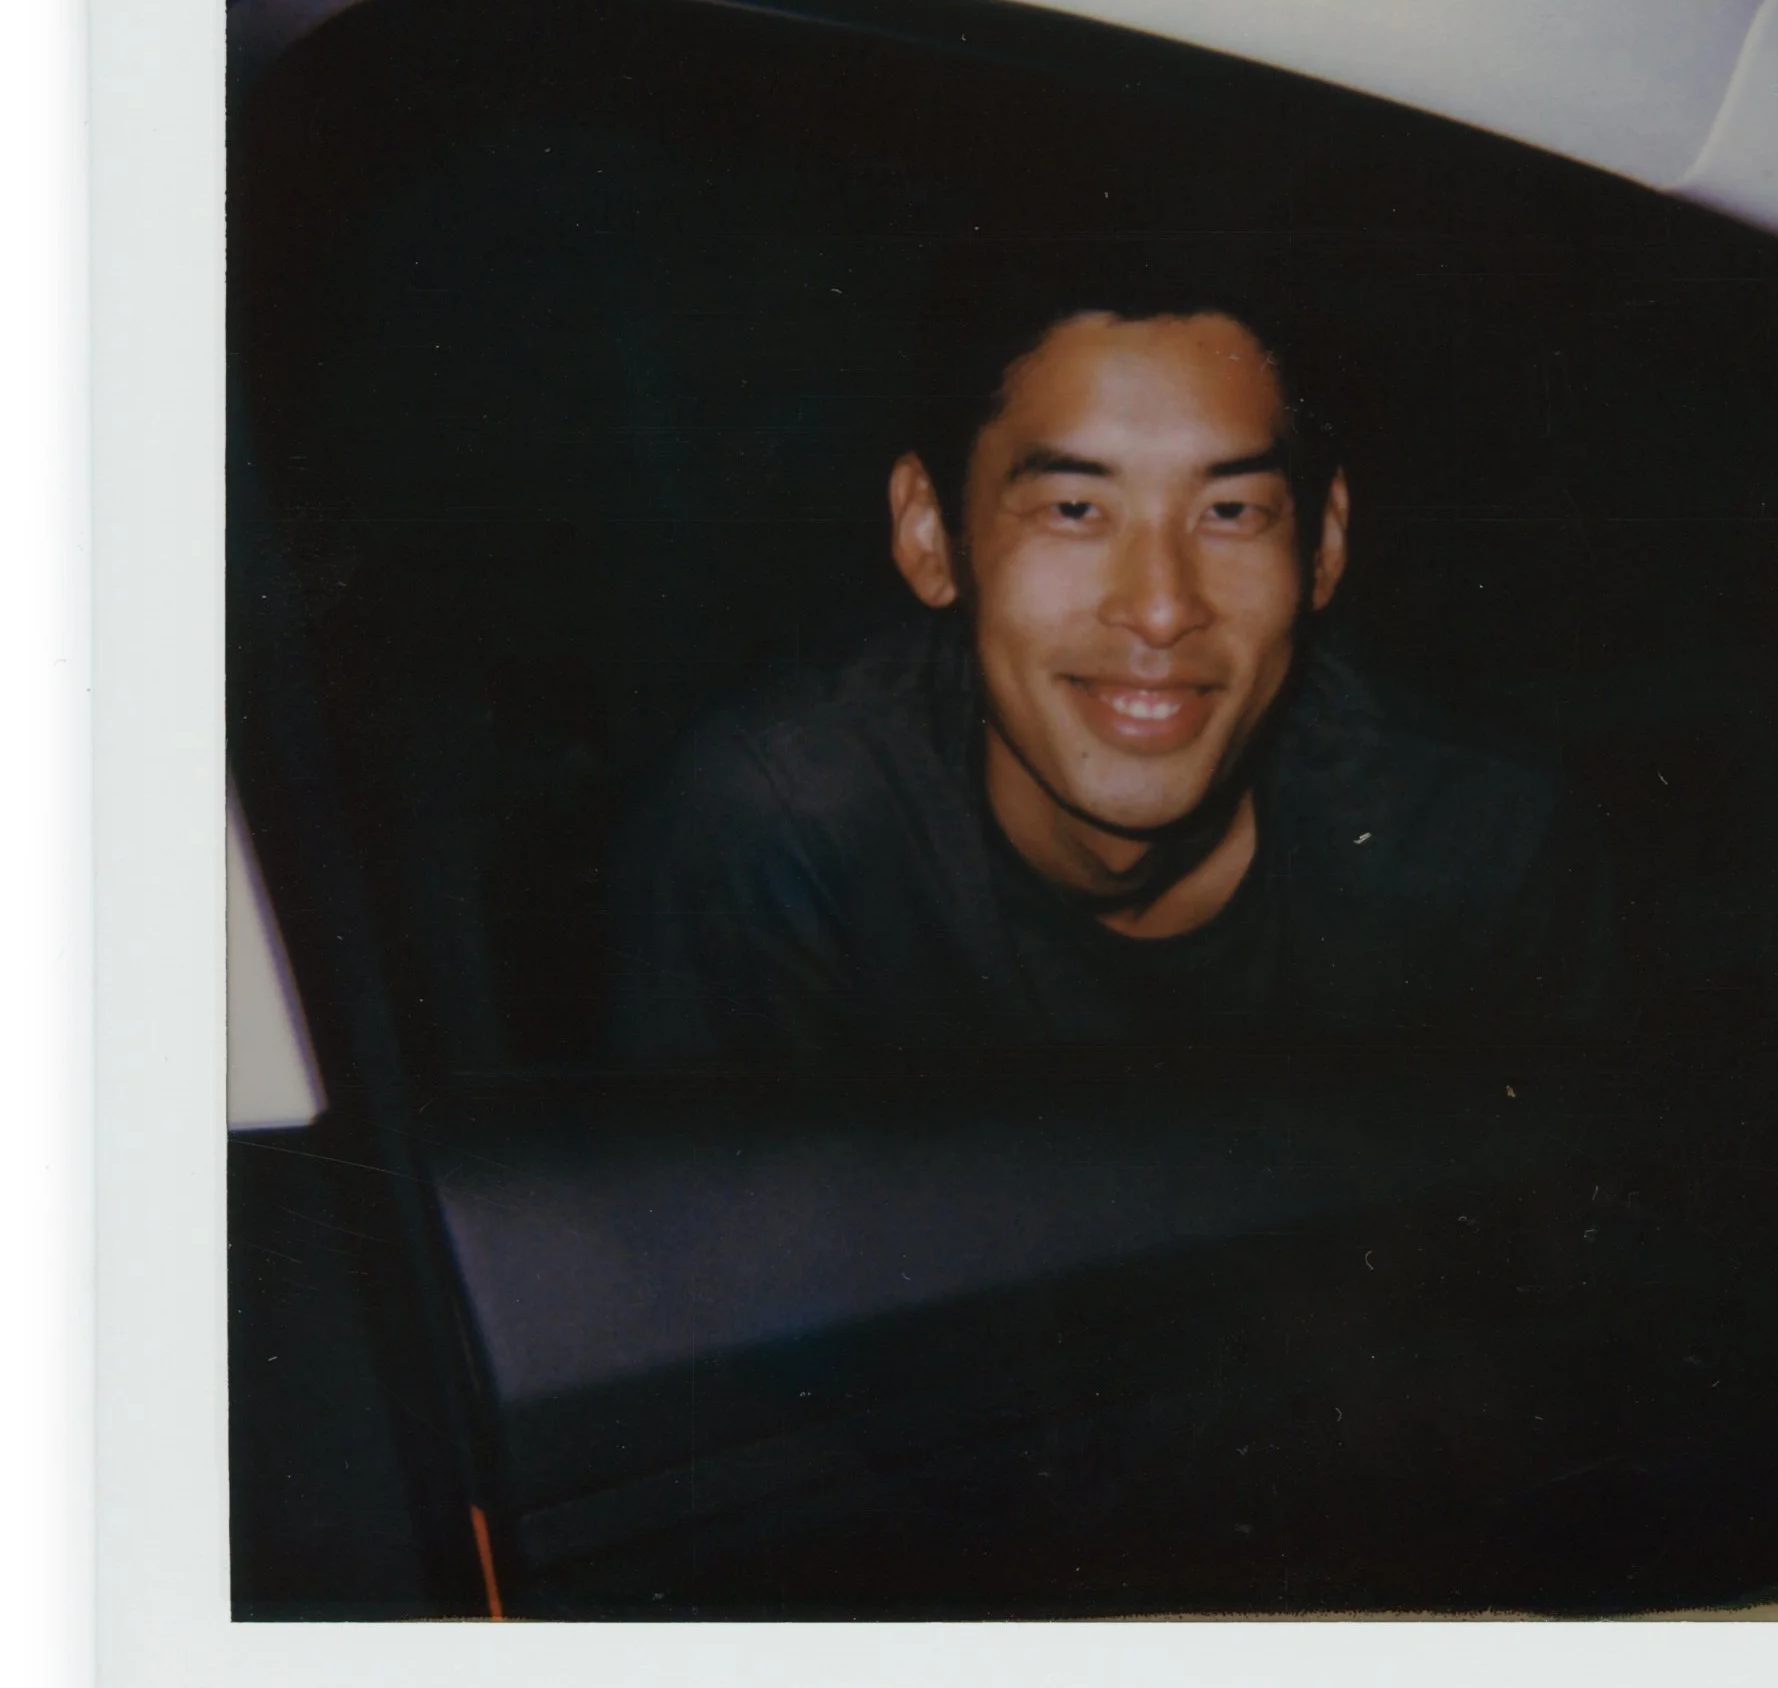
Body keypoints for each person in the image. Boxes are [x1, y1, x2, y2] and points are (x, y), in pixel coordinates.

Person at [612, 247, 1612, 1073]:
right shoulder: (788, 836)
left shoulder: (1475, 848)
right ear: (929, 536)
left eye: (1230, 512)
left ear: (1324, 548)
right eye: (1074, 509)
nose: (1162, 608)